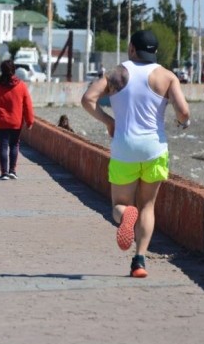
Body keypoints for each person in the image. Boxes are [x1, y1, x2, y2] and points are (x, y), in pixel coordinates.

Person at [81, 30, 190, 278]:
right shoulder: (166, 76)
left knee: (120, 204)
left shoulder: (117, 73)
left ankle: (125, 215)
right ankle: (139, 261)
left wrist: (108, 122)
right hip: (154, 149)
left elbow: (88, 99)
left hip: (124, 148)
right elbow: (183, 112)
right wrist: (183, 122)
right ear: (154, 52)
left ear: (131, 49)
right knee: (148, 206)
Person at [0, 60, 35, 181]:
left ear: (2, 70)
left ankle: (4, 173)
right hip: (16, 122)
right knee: (14, 145)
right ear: (14, 70)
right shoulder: (21, 86)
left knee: (3, 146)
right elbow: (28, 105)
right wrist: (29, 121)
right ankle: (12, 171)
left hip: (1, 121)